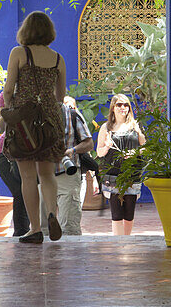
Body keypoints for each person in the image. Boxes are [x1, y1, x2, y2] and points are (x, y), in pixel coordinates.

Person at [0, 11, 67, 244]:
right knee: (47, 174)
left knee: (28, 177)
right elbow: (61, 95)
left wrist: (11, 110)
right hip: (49, 121)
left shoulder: (19, 53)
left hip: (24, 122)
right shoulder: (58, 58)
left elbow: (8, 89)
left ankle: (35, 229)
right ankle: (52, 213)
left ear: (25, 30)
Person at [39, 96, 93, 236]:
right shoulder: (36, 115)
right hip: (43, 175)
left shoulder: (72, 114)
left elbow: (89, 143)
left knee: (70, 228)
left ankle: (71, 258)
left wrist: (72, 150)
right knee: (42, 229)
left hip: (67, 174)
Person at [96, 93, 146, 235]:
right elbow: (99, 152)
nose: (122, 107)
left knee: (129, 213)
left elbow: (145, 147)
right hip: (113, 175)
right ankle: (118, 244)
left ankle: (127, 243)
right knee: (116, 214)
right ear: (113, 107)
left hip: (132, 174)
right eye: (119, 104)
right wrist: (107, 146)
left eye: (126, 105)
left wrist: (135, 153)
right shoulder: (106, 128)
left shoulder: (135, 126)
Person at [0, 92, 30, 237]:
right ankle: (22, 232)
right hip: (6, 152)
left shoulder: (35, 93)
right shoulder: (6, 95)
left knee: (29, 190)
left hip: (31, 150)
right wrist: (11, 111)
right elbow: (1, 126)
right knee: (19, 192)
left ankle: (29, 230)